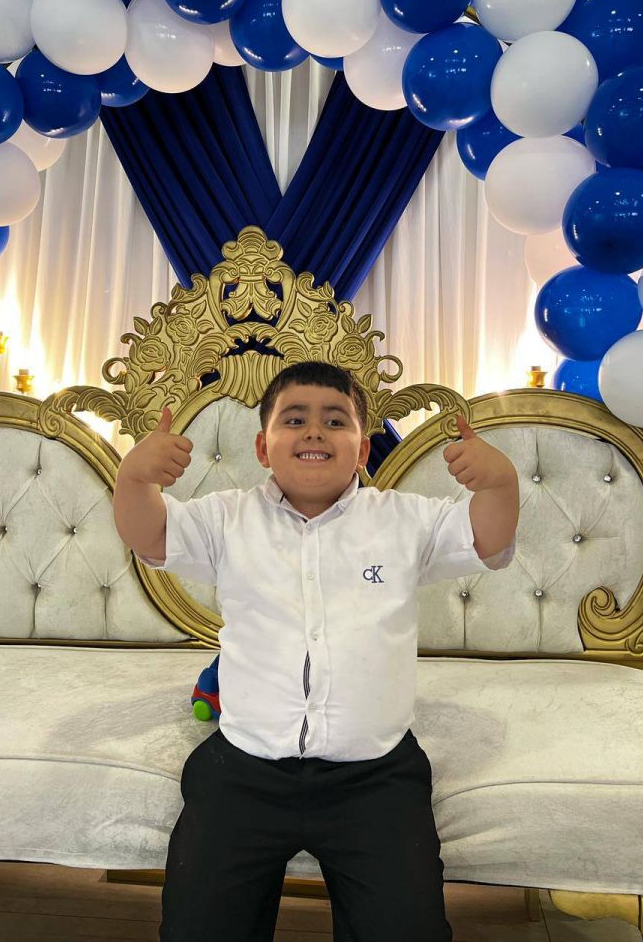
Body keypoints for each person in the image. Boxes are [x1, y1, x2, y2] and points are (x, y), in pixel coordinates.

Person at [113, 361, 519, 942]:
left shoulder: (404, 520)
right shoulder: (226, 518)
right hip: (244, 767)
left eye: (335, 421)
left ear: (362, 450)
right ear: (263, 447)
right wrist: (134, 479)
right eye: (294, 419)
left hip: (374, 775)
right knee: (199, 927)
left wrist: (500, 485)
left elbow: (486, 538)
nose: (314, 432)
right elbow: (149, 534)